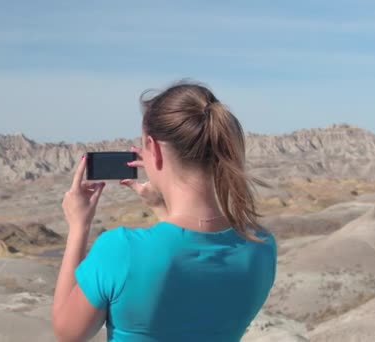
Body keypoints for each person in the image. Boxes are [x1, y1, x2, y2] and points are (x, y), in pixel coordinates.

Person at [52, 80, 277, 342]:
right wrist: (161, 208)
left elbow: (67, 334)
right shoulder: (261, 246)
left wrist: (79, 226)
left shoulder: (121, 250)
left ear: (155, 149)